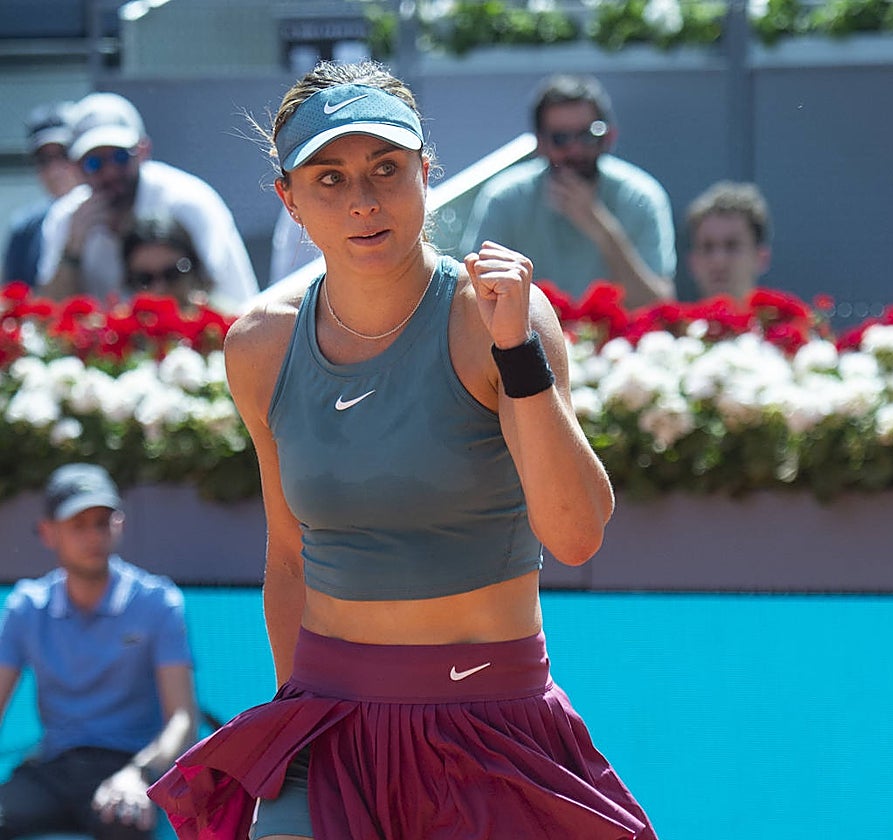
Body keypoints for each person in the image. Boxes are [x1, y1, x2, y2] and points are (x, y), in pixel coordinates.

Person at [147, 60, 657, 839]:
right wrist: (298, 733)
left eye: (387, 169)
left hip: (495, 726)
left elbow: (576, 533)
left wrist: (516, 349)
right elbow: (289, 559)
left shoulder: (499, 317)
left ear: (425, 174)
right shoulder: (258, 345)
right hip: (328, 727)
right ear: (289, 201)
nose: (364, 201)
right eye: (330, 178)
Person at [0, 463, 198, 839]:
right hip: (51, 770)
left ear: (119, 524)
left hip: (127, 769)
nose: (93, 535)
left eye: (103, 522)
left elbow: (182, 719)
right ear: (47, 532)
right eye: (78, 524)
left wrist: (139, 774)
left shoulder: (158, 602)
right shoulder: (25, 607)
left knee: (127, 822)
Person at [458, 73, 676, 308]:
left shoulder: (640, 195)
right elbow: (472, 295)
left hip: (617, 342)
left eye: (587, 135)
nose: (575, 149)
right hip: (529, 339)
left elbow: (658, 304)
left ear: (608, 137)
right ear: (540, 144)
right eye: (560, 138)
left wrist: (602, 230)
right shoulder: (505, 199)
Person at [36, 91, 259, 311]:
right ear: (75, 167)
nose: (110, 172)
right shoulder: (65, 218)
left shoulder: (187, 202)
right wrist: (72, 253)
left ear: (143, 151)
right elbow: (51, 316)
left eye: (120, 156)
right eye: (94, 163)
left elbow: (222, 300)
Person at [2, 101, 83, 287]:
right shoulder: (25, 228)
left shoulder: (113, 213)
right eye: (43, 160)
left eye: (64, 154)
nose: (54, 170)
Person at [685, 180, 772, 302]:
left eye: (732, 246)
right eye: (707, 247)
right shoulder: (678, 321)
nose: (718, 260)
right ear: (692, 262)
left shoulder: (796, 321)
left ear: (761, 258)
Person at [122, 213, 216, 311]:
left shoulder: (224, 322)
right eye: (145, 279)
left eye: (172, 274)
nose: (160, 289)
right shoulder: (112, 324)